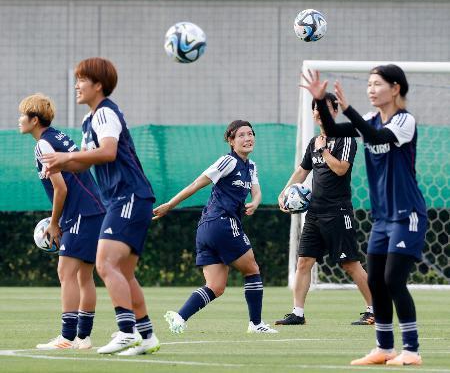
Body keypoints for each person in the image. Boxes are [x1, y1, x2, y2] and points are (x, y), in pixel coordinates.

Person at [301, 67, 426, 366]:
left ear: (395, 89)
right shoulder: (369, 118)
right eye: (368, 84)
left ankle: (411, 350)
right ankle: (384, 347)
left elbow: (373, 135)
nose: (371, 89)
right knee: (378, 283)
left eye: (377, 84)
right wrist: (320, 102)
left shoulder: (404, 121)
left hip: (407, 213)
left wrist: (347, 108)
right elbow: (332, 130)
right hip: (382, 218)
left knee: (394, 280)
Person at [42, 58, 160, 355]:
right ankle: (146, 335)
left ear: (98, 85)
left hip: (129, 195)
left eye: (82, 79)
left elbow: (107, 152)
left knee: (105, 263)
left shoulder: (106, 113)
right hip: (124, 198)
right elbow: (84, 157)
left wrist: (64, 159)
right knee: (124, 271)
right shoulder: (89, 121)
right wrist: (62, 162)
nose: (76, 86)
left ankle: (125, 331)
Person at [153, 120, 277, 334]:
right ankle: (256, 324)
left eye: (250, 134)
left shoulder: (251, 166)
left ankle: (179, 317)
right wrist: (170, 205)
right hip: (222, 224)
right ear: (231, 140)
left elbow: (256, 192)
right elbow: (196, 184)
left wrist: (255, 203)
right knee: (252, 269)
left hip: (207, 228)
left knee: (216, 286)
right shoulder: (227, 162)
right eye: (241, 135)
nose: (248, 138)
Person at [274, 93, 373, 327]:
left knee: (350, 264)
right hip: (314, 213)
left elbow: (340, 169)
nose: (319, 113)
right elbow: (301, 172)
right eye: (316, 109)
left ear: (335, 112)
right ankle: (298, 313)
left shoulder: (346, 138)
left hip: (338, 212)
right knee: (304, 261)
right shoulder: (313, 142)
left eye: (325, 108)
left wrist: (324, 151)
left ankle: (374, 310)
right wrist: (283, 192)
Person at [18, 93, 105, 350]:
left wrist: (55, 223)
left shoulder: (43, 145)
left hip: (80, 213)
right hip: (95, 210)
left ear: (34, 119)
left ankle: (67, 337)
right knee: (84, 276)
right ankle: (83, 338)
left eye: (23, 115)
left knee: (65, 272)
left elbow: (61, 189)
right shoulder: (60, 137)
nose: (20, 119)